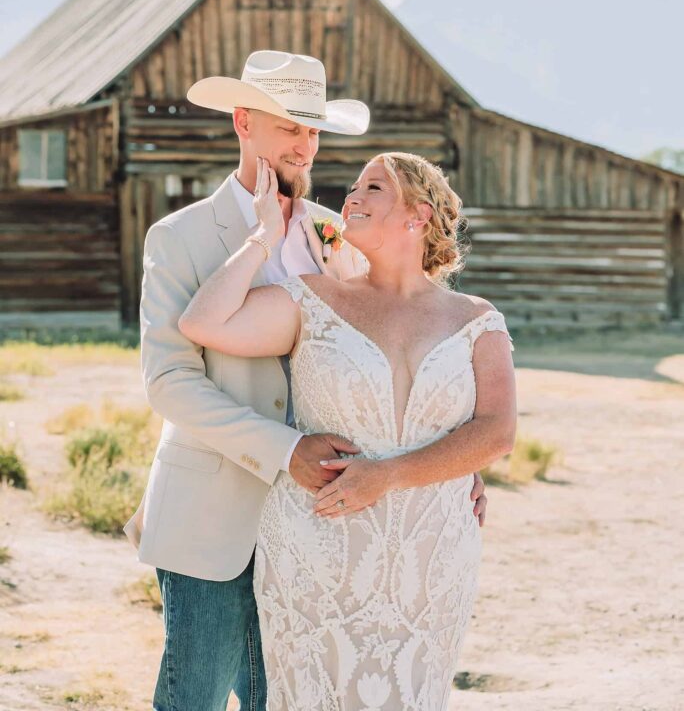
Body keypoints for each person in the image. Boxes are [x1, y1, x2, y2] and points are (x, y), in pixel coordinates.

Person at [124, 49, 490, 711]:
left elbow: (384, 350)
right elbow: (169, 384)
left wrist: (451, 458)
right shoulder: (178, 237)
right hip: (214, 513)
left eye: (314, 128)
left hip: (322, 527)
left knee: (290, 698)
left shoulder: (338, 234)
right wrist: (282, 448)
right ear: (243, 122)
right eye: (289, 125)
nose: (305, 144)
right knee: (193, 699)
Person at [180, 149, 517, 711]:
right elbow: (203, 323)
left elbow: (497, 432)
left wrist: (388, 476)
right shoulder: (313, 299)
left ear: (420, 215)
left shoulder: (476, 319)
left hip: (431, 559)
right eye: (354, 188)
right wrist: (264, 235)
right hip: (319, 550)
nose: (351, 198)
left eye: (374, 188)